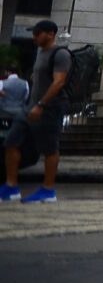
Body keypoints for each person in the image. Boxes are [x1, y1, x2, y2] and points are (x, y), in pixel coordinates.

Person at [2, 21, 71, 203]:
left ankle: (48, 190)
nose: (34, 37)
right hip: (30, 106)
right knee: (11, 141)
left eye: (38, 33)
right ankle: (11, 186)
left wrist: (41, 104)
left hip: (49, 108)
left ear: (50, 34)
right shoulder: (41, 53)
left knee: (50, 148)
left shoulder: (61, 54)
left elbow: (59, 82)